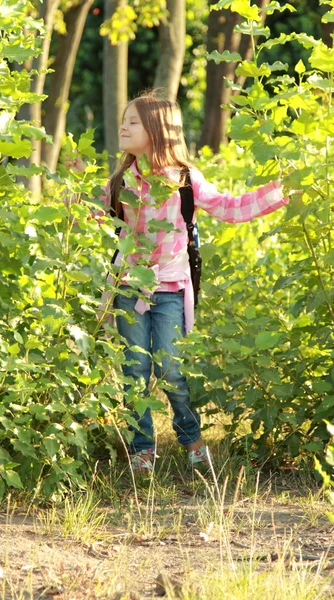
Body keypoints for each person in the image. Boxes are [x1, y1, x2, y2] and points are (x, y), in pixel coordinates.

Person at [66, 92, 290, 474]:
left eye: (133, 122)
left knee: (171, 370)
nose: (123, 126)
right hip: (127, 290)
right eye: (124, 119)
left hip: (171, 290)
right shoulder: (121, 180)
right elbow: (97, 216)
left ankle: (192, 439)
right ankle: (142, 449)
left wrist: (280, 190)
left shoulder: (186, 179)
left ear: (158, 130)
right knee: (134, 369)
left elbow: (229, 207)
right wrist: (77, 185)